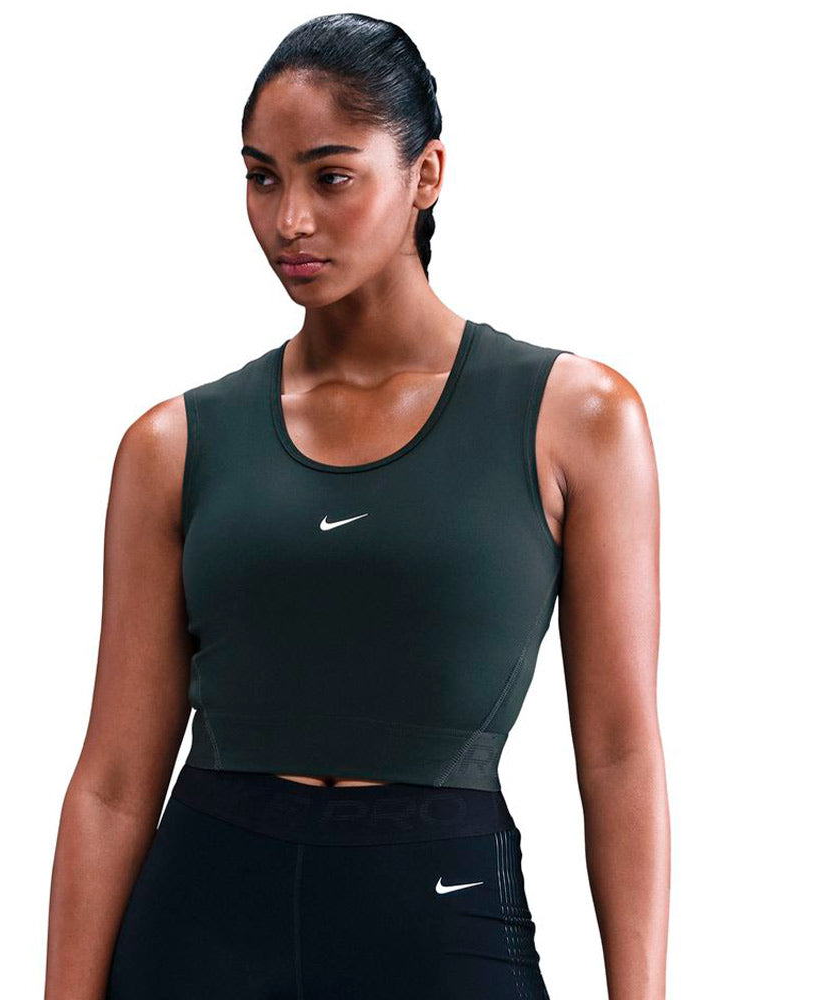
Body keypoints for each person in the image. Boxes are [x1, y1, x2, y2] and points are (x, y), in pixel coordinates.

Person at [45, 13, 668, 1000]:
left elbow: (621, 754)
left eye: (330, 177)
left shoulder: (579, 418)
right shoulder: (171, 445)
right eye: (262, 178)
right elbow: (115, 783)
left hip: (441, 919)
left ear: (427, 175)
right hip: (200, 925)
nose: (289, 219)